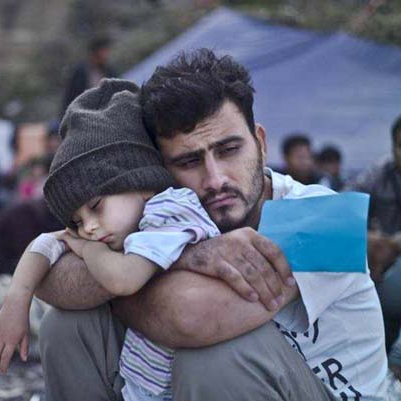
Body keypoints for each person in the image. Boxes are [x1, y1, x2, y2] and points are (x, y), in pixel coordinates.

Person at [35, 49, 387, 401]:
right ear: (160, 169)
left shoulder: (326, 218)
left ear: (260, 144)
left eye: (229, 149)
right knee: (69, 326)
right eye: (189, 161)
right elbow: (50, 274)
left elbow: (190, 318)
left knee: (217, 354)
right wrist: (187, 257)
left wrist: (131, 274)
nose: (215, 179)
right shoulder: (166, 211)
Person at [0, 80, 221, 401]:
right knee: (60, 323)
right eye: (77, 221)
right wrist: (15, 303)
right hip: (145, 383)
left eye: (96, 207)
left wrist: (86, 247)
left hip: (196, 382)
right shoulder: (114, 226)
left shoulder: (173, 210)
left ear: (143, 183)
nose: (89, 228)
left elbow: (124, 279)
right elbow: (45, 243)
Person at [348, 114, 401, 377]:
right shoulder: (379, 171)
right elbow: (343, 205)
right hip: (380, 258)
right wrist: (368, 238)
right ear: (393, 148)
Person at [61, 36, 116, 118]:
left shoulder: (109, 71)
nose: (106, 54)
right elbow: (70, 96)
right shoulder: (80, 72)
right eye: (104, 51)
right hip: (82, 114)